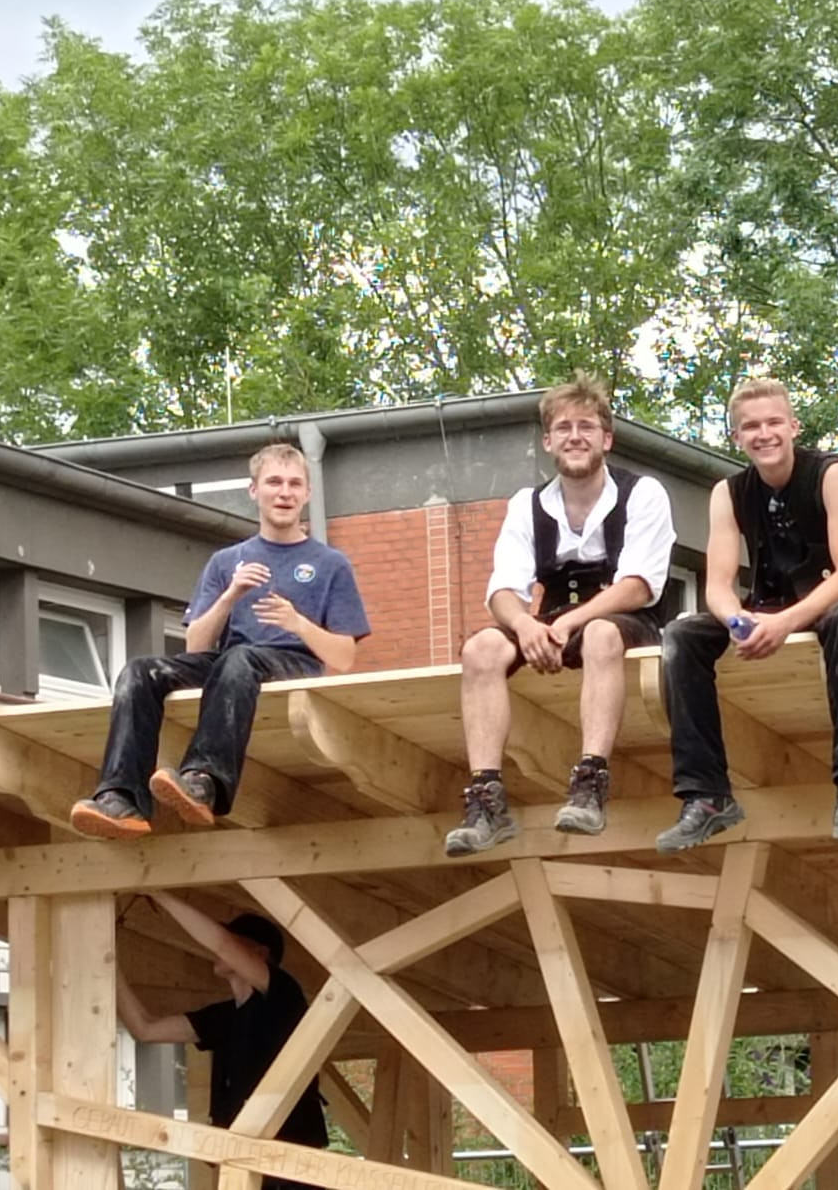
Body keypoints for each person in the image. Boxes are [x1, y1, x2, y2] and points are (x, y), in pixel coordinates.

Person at [70, 443, 370, 839]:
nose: (285, 493)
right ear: (254, 490)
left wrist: (297, 623)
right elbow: (196, 646)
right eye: (274, 482)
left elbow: (344, 658)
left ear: (307, 493)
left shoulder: (331, 564)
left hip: (291, 664)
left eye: (295, 484)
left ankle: (205, 781)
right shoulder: (226, 562)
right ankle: (121, 798)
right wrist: (231, 595)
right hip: (231, 665)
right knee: (141, 671)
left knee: (240, 658)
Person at [443, 374, 676, 856]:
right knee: (480, 648)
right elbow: (502, 590)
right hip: (551, 621)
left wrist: (570, 622)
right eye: (564, 428)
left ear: (607, 438)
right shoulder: (526, 505)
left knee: (600, 633)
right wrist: (526, 624)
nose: (575, 437)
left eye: (587, 427)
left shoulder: (642, 493)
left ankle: (591, 782)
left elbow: (638, 585)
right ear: (548, 441)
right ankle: (486, 798)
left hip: (624, 620)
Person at [655, 377, 838, 853]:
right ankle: (707, 795)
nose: (764, 434)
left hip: (834, 601)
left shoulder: (832, 474)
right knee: (681, 636)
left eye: (773, 422)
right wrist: (738, 621)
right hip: (767, 606)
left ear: (793, 427)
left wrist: (784, 623)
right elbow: (717, 586)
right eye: (751, 427)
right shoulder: (728, 492)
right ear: (736, 437)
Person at [116, 892, 328, 1190]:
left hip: (292, 1167)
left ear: (260, 953)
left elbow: (221, 944)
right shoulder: (224, 1017)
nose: (217, 949)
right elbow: (145, 1029)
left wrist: (159, 894)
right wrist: (107, 957)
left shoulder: (283, 994)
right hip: (248, 1166)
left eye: (234, 941)